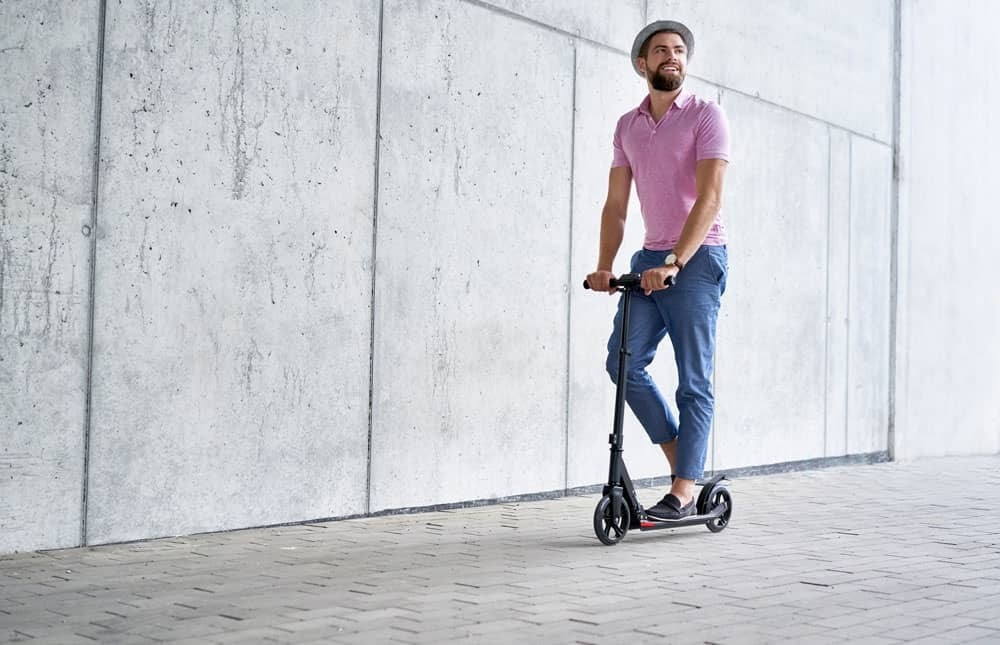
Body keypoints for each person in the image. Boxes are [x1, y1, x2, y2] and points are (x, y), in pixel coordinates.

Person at [585, 20, 730, 521]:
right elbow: (616, 207)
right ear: (642, 64)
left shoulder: (707, 116)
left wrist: (675, 262)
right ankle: (681, 463)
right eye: (662, 50)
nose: (673, 56)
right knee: (622, 364)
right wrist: (604, 267)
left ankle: (684, 492)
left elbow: (709, 199)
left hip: (697, 257)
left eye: (679, 50)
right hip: (648, 262)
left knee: (694, 381)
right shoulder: (628, 126)